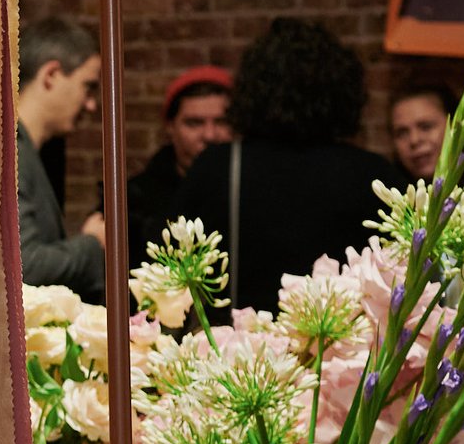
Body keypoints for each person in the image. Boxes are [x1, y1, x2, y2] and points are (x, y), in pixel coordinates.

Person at [173, 19, 408, 311]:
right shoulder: (373, 175)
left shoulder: (219, 167)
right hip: (347, 349)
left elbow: (173, 271)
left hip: (240, 349)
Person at [16, 15, 107, 299]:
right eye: (88, 86)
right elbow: (25, 266)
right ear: (51, 75)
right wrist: (92, 244)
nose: (91, 105)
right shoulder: (9, 150)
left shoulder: (28, 149)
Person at [126, 65, 232, 244]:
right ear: (170, 127)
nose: (210, 135)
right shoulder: (136, 200)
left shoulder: (254, 190)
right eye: (194, 123)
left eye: (221, 122)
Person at [388, 81, 464, 188]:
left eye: (426, 127)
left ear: (456, 127)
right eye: (401, 133)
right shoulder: (387, 195)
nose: (414, 140)